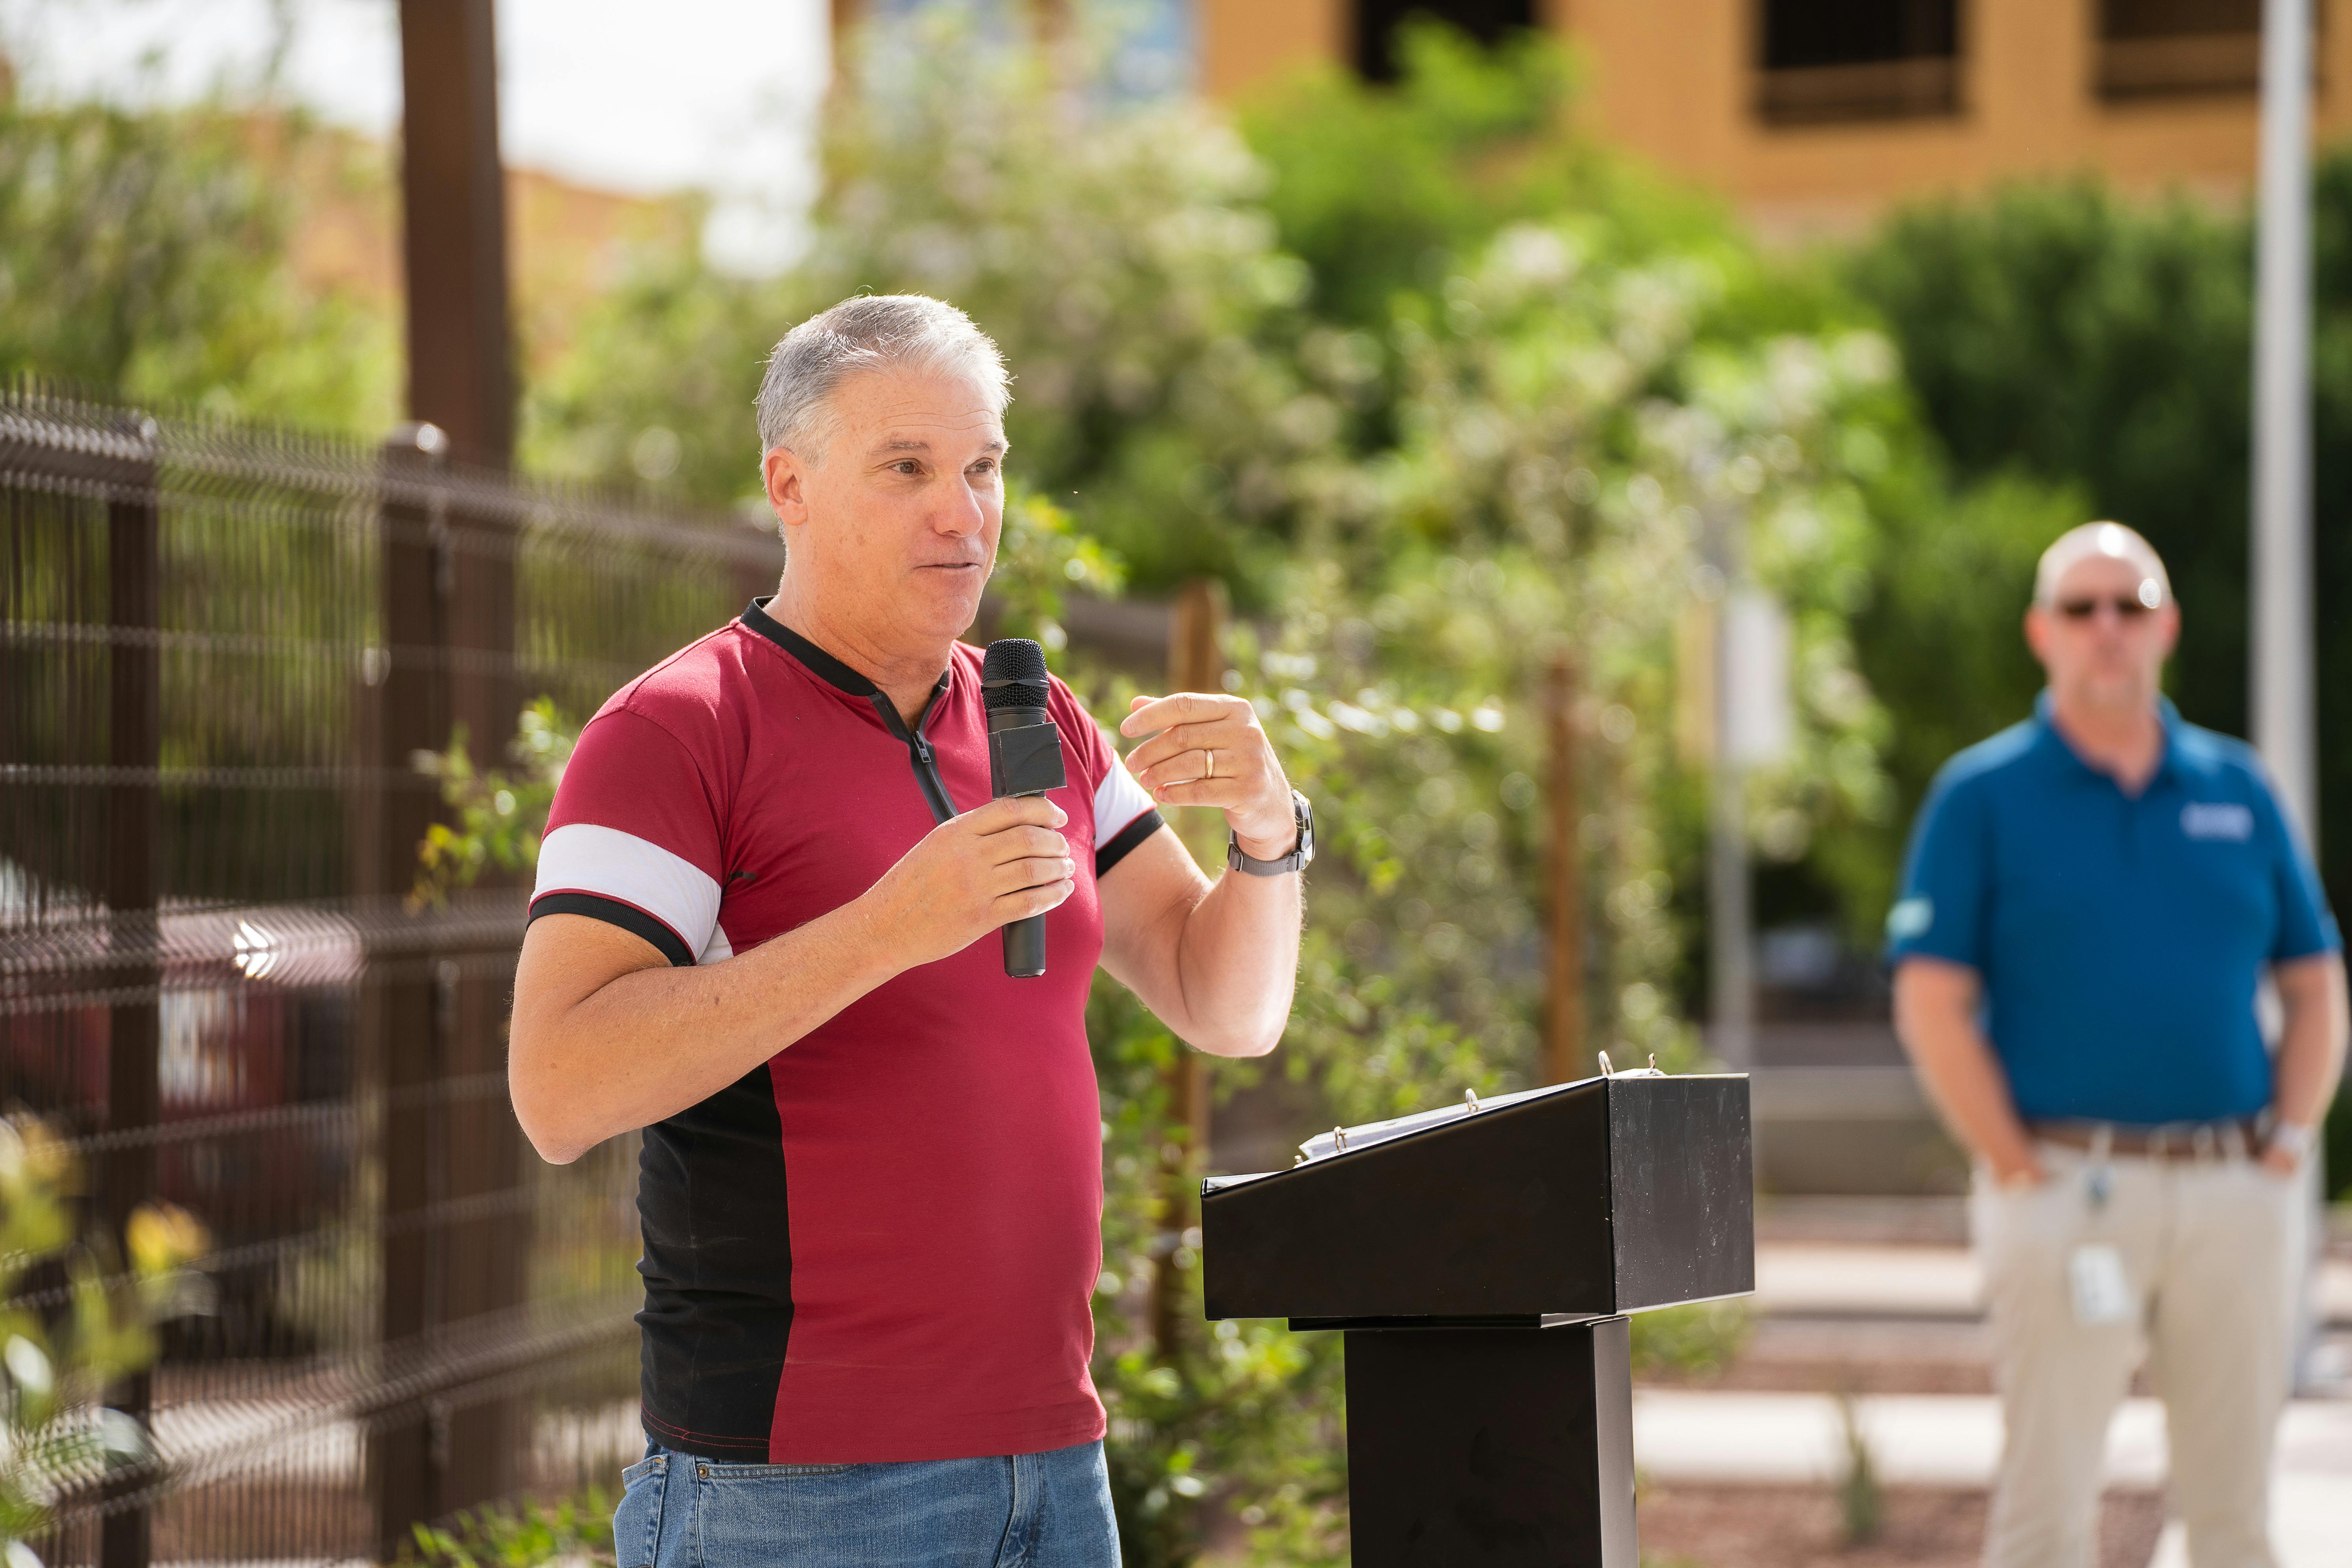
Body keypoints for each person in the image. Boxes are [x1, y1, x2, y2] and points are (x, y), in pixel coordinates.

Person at [505, 294, 1312, 1568]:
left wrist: (1269, 828)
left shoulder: (1038, 715)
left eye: (983, 466)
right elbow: (558, 1088)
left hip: (1055, 1471)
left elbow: (1229, 1004)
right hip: (799, 1496)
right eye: (908, 468)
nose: (963, 510)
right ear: (792, 485)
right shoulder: (678, 730)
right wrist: (887, 928)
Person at [1888, 521, 2347, 1568]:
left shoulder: (2238, 788)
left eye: (2129, 605)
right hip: (2063, 1188)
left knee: (2236, 1516)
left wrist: (2287, 1149)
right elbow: (1929, 997)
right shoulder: (1982, 796)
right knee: (2048, 1515)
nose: (2108, 628)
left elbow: (2315, 981)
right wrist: (2012, 1163)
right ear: (2041, 632)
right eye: (2082, 607)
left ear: (2166, 627)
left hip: (2235, 1190)